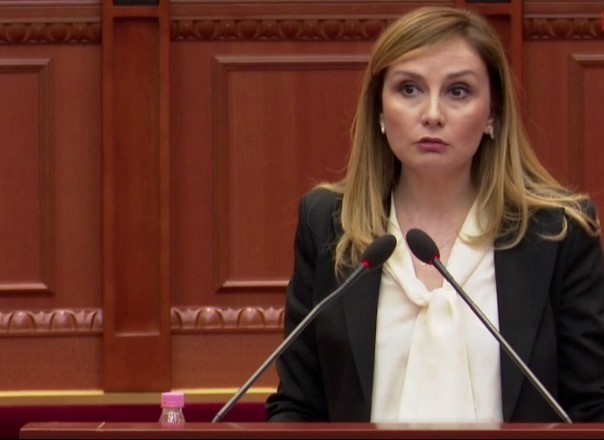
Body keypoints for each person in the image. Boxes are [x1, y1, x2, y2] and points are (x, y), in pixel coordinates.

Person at [265, 5, 604, 423]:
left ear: (493, 111)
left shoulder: (557, 233)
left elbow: (591, 410)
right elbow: (298, 406)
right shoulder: (328, 225)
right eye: (409, 89)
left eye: (458, 91)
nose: (432, 114)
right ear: (379, 109)